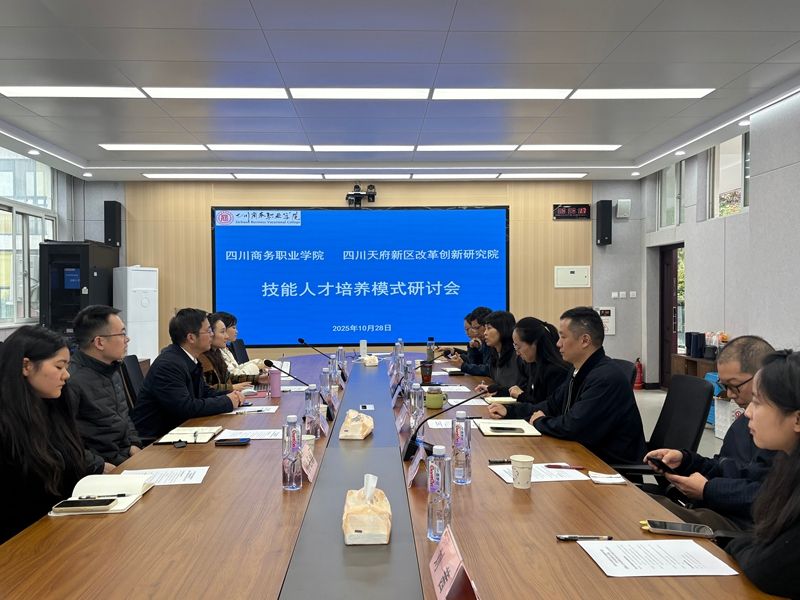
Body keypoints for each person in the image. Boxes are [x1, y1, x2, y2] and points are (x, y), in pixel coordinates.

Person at [644, 336, 776, 530]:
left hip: (740, 525)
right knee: (641, 504)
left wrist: (708, 490)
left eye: (734, 385)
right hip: (715, 509)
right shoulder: (745, 423)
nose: (729, 395)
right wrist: (686, 461)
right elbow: (727, 466)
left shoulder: (780, 437)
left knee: (644, 511)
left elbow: (767, 496)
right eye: (724, 386)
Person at [717, 350, 800, 598]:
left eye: (759, 402)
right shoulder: (787, 461)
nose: (748, 412)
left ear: (797, 420)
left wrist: (738, 545)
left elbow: (767, 568)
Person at [0, 326, 88, 544]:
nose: (66, 375)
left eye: (67, 366)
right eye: (59, 366)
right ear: (26, 366)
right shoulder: (6, 425)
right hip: (22, 542)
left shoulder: (53, 405)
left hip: (61, 528)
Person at [528, 306, 646, 464]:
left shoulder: (605, 378)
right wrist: (509, 412)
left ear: (585, 340)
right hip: (581, 455)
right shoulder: (578, 370)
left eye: (563, 337)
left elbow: (573, 427)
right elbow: (552, 405)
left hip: (607, 467)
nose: (558, 344)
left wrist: (539, 422)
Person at [132, 308, 244, 441]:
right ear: (191, 337)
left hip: (180, 432)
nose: (212, 335)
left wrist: (231, 395)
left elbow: (204, 391)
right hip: (157, 439)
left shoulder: (188, 358)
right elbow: (185, 408)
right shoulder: (169, 364)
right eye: (208, 331)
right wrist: (226, 401)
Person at [68, 305, 142, 474]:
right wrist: (99, 466)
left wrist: (134, 443)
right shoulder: (71, 380)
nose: (127, 339)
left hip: (125, 459)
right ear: (99, 342)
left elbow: (124, 417)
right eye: (122, 334)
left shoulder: (112, 370)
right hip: (100, 470)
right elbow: (62, 441)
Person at [486, 317, 570, 421]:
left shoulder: (557, 371)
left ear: (535, 343)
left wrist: (510, 410)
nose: (517, 352)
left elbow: (547, 408)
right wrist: (499, 392)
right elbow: (527, 394)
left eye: (518, 346)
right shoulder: (533, 365)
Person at [199, 312, 269, 391]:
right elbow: (206, 389)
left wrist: (258, 378)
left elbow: (229, 378)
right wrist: (232, 388)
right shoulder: (202, 357)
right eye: (222, 332)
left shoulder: (216, 353)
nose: (227, 336)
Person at [474, 310, 522, 392]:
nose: (485, 333)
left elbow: (518, 390)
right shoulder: (495, 353)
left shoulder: (518, 354)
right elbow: (502, 386)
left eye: (489, 328)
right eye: (485, 328)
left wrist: (497, 391)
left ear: (503, 329)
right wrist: (492, 389)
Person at [216, 311, 267, 377]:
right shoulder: (216, 352)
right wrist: (256, 367)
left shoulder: (225, 349)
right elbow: (234, 375)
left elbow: (236, 368)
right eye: (234, 327)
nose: (237, 331)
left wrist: (259, 363)